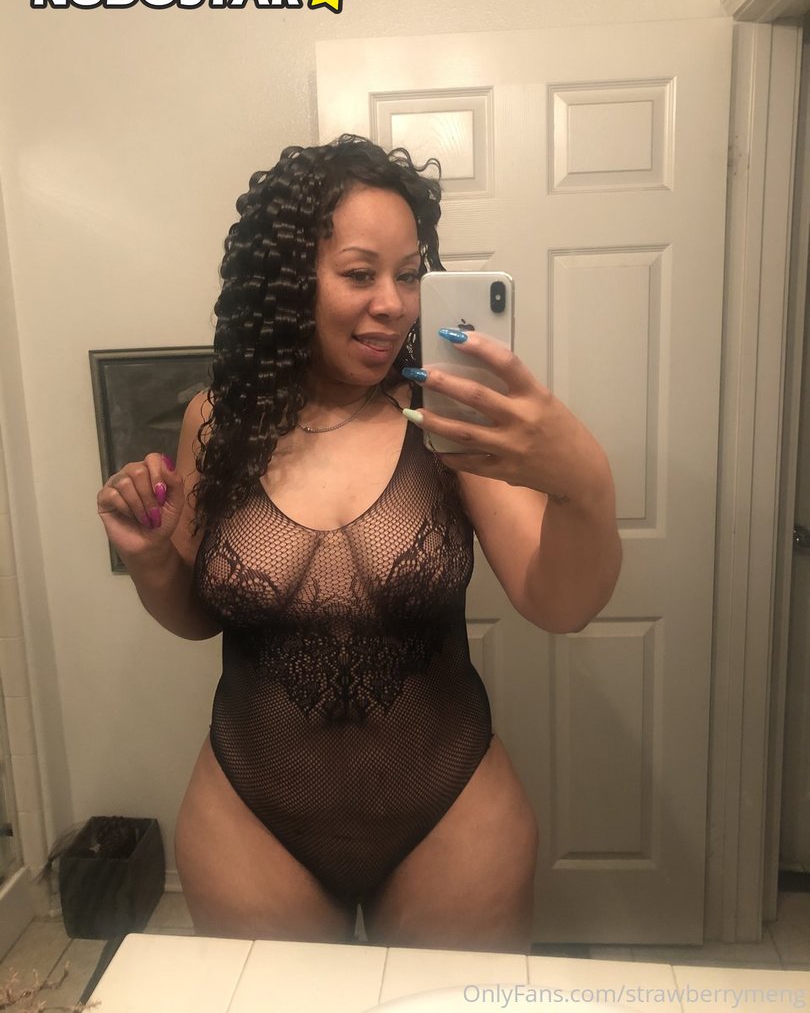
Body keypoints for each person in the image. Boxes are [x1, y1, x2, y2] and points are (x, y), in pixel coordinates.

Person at [96, 135, 621, 954]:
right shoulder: (218, 421)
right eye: (359, 274)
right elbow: (198, 619)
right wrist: (151, 557)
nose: (395, 304)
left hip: (452, 815)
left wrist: (583, 484)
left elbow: (562, 604)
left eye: (409, 275)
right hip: (250, 820)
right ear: (286, 280)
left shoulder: (451, 419)